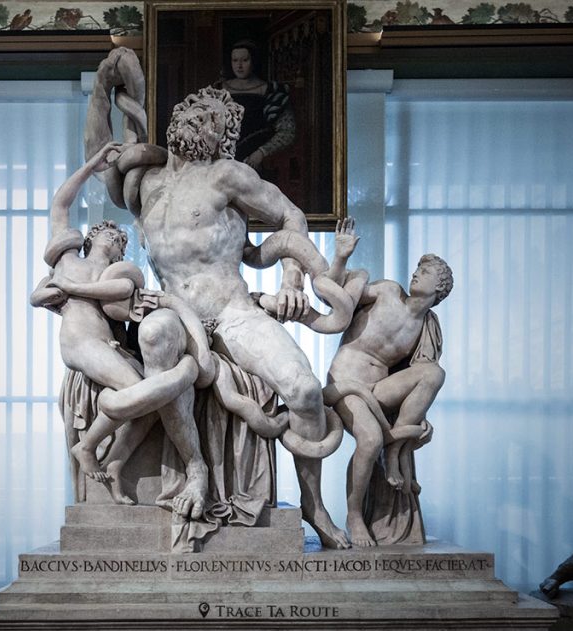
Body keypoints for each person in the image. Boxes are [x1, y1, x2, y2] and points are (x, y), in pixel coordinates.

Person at [102, 84, 348, 548]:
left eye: (211, 119)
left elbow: (291, 217)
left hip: (232, 312)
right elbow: (104, 154)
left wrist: (292, 282)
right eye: (192, 111)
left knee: (305, 389)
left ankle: (314, 506)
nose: (198, 120)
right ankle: (194, 469)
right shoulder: (146, 185)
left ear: (222, 138)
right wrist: (104, 85)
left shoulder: (226, 176)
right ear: (175, 119)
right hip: (175, 311)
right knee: (154, 334)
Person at [30, 141, 205, 509]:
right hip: (80, 343)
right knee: (138, 391)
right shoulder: (67, 260)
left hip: (106, 347)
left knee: (150, 403)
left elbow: (126, 296)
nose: (117, 242)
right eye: (112, 236)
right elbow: (60, 204)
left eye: (121, 242)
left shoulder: (109, 279)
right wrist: (93, 163)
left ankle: (115, 462)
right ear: (93, 236)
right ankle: (88, 446)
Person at [326, 247, 453, 547]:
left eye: (425, 272)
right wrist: (341, 258)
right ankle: (354, 516)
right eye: (417, 269)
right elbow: (334, 297)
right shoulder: (387, 291)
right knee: (369, 440)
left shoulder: (426, 326)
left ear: (438, 287)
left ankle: (395, 449)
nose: (415, 273)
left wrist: (419, 420)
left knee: (434, 373)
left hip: (380, 391)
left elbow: (420, 382)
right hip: (346, 383)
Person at [216, 40, 295, 171]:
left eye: (245, 60)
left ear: (254, 61)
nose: (239, 66)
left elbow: (288, 131)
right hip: (223, 160)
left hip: (256, 161)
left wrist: (261, 153)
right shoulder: (219, 89)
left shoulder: (271, 91)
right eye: (235, 60)